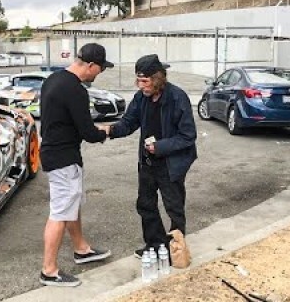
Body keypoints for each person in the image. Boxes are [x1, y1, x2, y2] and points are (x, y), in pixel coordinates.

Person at [104, 54, 197, 260]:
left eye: (144, 81)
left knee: (174, 208)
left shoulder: (177, 97)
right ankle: (155, 244)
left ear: (158, 78)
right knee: (145, 204)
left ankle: (175, 248)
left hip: (170, 164)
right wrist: (108, 131)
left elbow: (188, 136)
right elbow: (128, 123)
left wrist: (160, 147)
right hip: (147, 162)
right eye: (138, 80)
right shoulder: (140, 98)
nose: (140, 86)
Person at [38, 42, 115, 287]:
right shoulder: (76, 90)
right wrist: (106, 132)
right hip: (62, 159)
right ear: (90, 65)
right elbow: (88, 132)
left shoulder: (53, 79)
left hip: (55, 152)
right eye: (100, 69)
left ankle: (81, 249)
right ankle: (48, 270)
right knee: (60, 212)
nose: (99, 74)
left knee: (72, 204)